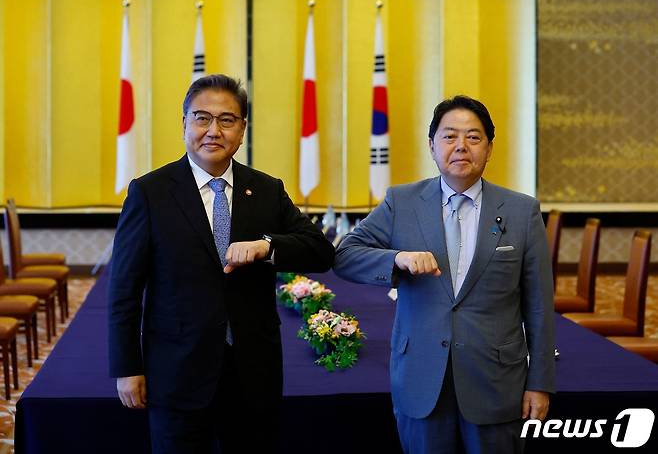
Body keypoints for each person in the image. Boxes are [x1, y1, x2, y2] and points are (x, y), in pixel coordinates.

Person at [108, 74, 335, 453]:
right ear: (184, 124)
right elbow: (124, 291)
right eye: (202, 118)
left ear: (242, 129)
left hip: (253, 372)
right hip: (177, 372)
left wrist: (267, 246)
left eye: (227, 120)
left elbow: (320, 252)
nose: (214, 130)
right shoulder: (150, 192)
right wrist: (127, 367)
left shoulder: (266, 189)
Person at [334, 95, 555, 453]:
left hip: (496, 383)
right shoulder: (401, 202)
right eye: (449, 137)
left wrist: (540, 383)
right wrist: (397, 258)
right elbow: (344, 255)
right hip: (421, 378)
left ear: (489, 147)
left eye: (473, 137)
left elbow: (540, 306)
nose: (461, 147)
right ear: (432, 146)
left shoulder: (521, 211)